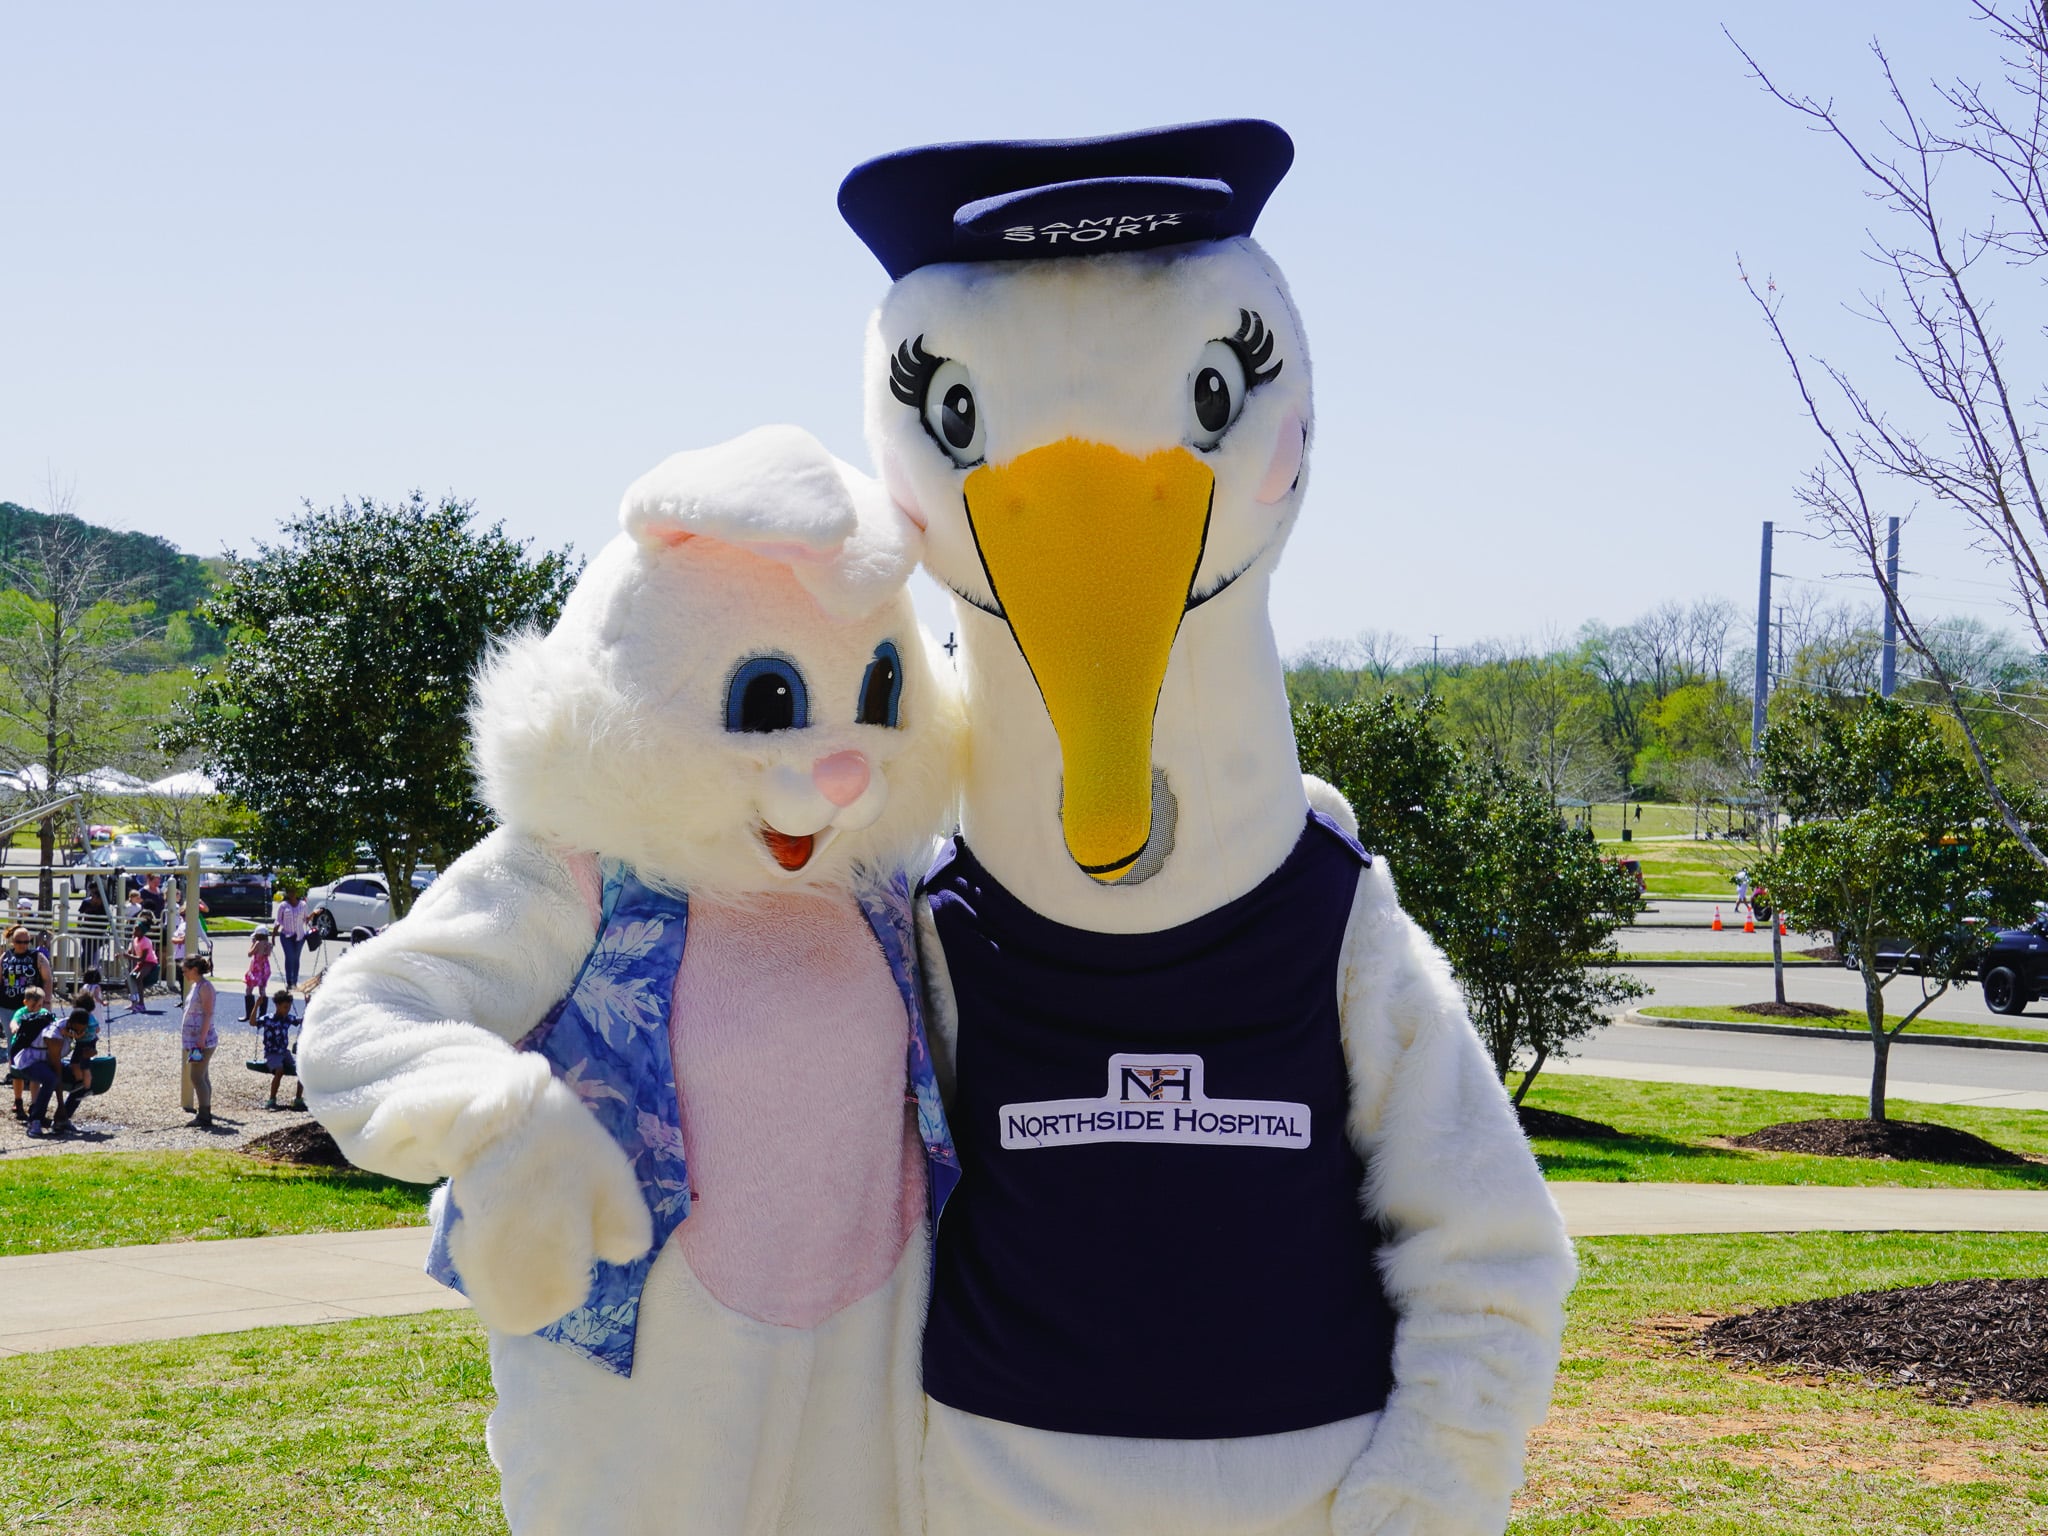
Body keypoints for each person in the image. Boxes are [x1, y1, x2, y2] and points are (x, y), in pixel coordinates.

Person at [13, 1007, 90, 1138]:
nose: (80, 1033)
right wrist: (60, 1105)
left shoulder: (71, 1027)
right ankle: (35, 1120)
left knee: (84, 1077)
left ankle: (62, 1120)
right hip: (30, 1061)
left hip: (47, 1061)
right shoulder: (54, 1037)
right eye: (78, 1030)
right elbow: (56, 1069)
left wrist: (77, 1038)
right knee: (51, 1079)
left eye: (82, 1030)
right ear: (71, 1023)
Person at [179, 955, 218, 1129]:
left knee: (196, 1077)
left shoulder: (205, 987)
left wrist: (201, 1038)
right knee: (203, 1076)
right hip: (195, 1039)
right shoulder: (196, 985)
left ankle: (204, 1115)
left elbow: (208, 1013)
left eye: (185, 970)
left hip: (202, 1040)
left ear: (194, 970)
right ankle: (205, 1111)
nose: (184, 974)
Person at [254, 987, 304, 1111]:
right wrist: (256, 1006)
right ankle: (272, 1100)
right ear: (277, 1005)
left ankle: (298, 1099)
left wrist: (308, 1004)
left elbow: (303, 1020)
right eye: (285, 1007)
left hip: (284, 1052)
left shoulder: (288, 1018)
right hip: (272, 1053)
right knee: (280, 1070)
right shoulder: (268, 1019)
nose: (287, 1010)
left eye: (289, 1007)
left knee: (303, 1069)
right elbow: (252, 1022)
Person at [8, 987, 53, 1119]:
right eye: (33, 1005)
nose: (36, 1008)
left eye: (39, 1005)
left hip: (35, 1048)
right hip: (20, 1046)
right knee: (17, 1075)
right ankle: (18, 1100)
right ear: (25, 1002)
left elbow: (52, 1023)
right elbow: (14, 1021)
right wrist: (14, 1027)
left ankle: (34, 1103)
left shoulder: (43, 1012)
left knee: (35, 1077)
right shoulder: (21, 1012)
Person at [0, 925, 54, 1025]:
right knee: (12, 1034)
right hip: (7, 1006)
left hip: (31, 1007)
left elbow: (47, 979)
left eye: (26, 942)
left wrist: (46, 1002)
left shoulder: (37, 957)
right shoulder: (5, 957)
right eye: (19, 942)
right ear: (13, 941)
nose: (23, 945)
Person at [273, 887, 310, 990]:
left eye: (294, 892)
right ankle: (289, 981)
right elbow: (278, 921)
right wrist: (273, 936)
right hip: (286, 936)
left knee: (296, 958)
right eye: (290, 892)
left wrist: (314, 914)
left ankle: (294, 981)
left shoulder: (303, 905)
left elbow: (306, 919)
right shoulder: (283, 906)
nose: (292, 894)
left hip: (300, 936)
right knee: (289, 957)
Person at [127, 916, 161, 1015]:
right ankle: (134, 1002)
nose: (134, 931)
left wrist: (127, 956)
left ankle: (141, 1004)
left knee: (139, 978)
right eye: (134, 929)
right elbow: (131, 953)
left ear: (142, 931)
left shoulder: (146, 941)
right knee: (128, 979)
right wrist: (122, 955)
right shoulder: (134, 940)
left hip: (149, 962)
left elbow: (142, 958)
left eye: (137, 930)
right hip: (141, 963)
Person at [244, 927, 274, 1023]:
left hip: (256, 967)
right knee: (262, 990)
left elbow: (249, 954)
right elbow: (267, 954)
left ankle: (250, 1014)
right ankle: (262, 1015)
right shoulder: (269, 944)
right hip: (265, 968)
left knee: (249, 989)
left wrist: (253, 944)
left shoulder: (257, 943)